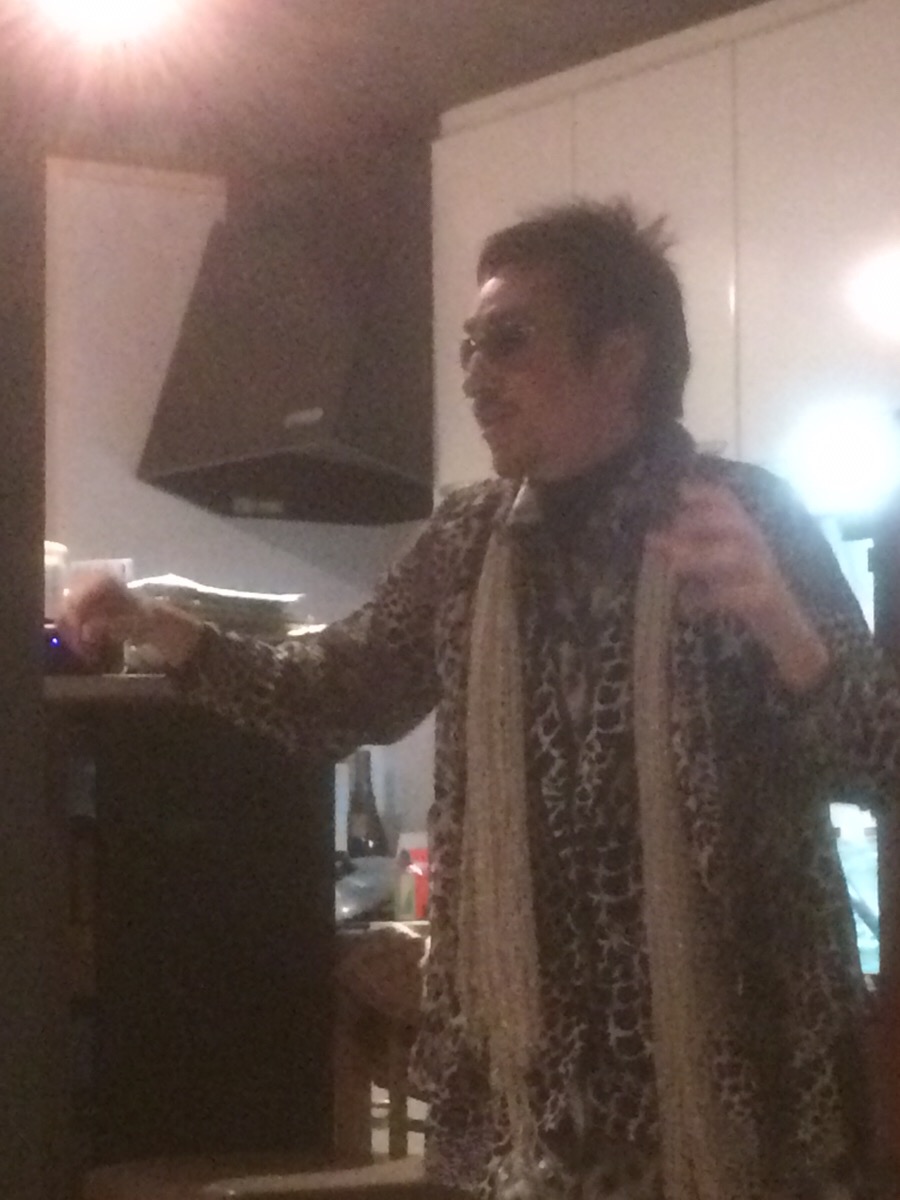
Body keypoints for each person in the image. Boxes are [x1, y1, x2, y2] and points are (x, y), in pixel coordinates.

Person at [60, 200, 900, 1200]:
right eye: (468, 345)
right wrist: (167, 633)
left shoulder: (744, 520)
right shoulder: (466, 543)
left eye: (508, 341)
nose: (472, 374)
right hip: (527, 1113)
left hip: (746, 1102)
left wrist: (788, 634)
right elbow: (335, 697)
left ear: (620, 356)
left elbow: (879, 762)